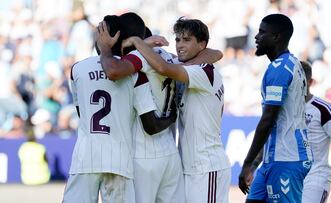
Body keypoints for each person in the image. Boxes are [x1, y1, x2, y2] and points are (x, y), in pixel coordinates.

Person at [97, 16, 225, 202]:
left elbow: (115, 70)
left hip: (200, 163)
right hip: (177, 159)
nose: (180, 45)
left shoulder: (197, 70)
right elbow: (215, 53)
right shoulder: (175, 62)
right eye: (178, 40)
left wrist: (109, 48)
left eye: (187, 40)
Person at [63, 13, 176, 203]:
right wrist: (173, 115)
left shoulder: (77, 69)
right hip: (119, 161)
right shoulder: (135, 75)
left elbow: (83, 115)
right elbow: (150, 124)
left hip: (85, 157)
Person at [237, 14, 313, 203]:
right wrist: (256, 163)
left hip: (287, 159)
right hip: (275, 157)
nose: (256, 37)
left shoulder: (279, 69)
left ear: (277, 37)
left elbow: (268, 120)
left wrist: (247, 163)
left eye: (262, 32)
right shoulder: (293, 63)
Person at [301, 60, 331, 203]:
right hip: (291, 176)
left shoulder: (323, 108)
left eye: (300, 80)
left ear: (310, 82)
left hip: (316, 177)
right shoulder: (285, 108)